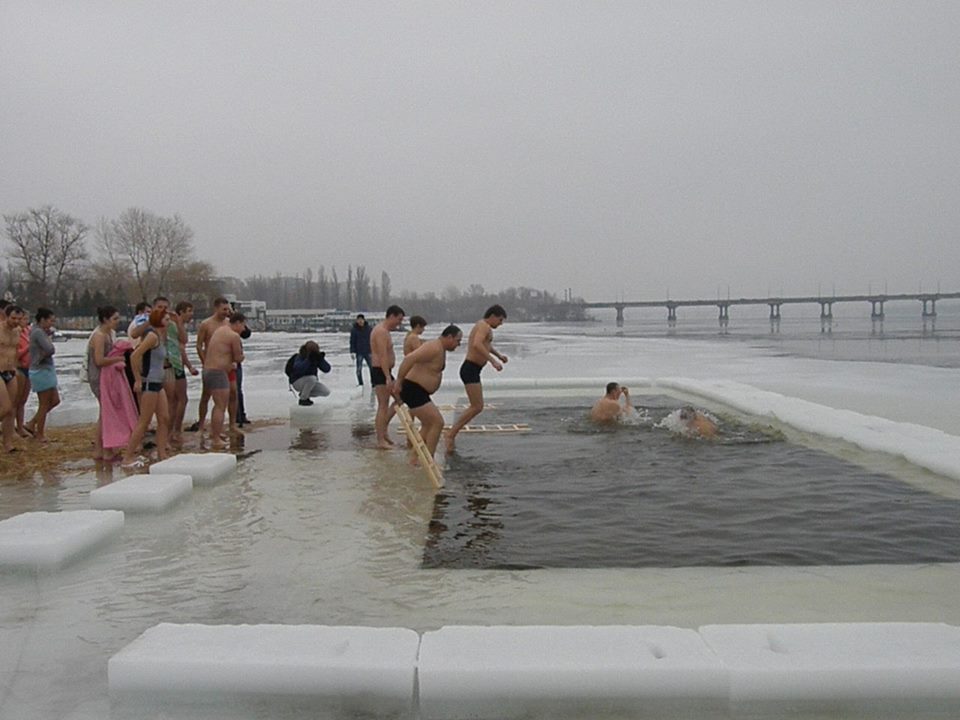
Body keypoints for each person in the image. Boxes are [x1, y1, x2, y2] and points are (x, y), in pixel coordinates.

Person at [393, 324, 462, 461]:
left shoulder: (439, 348)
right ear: (449, 337)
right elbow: (409, 359)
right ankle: (428, 459)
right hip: (413, 389)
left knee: (428, 424)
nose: (458, 344)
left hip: (419, 390)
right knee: (437, 423)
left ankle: (414, 458)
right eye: (457, 341)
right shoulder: (433, 347)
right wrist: (398, 382)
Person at [445, 304, 508, 452]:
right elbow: (477, 344)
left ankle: (452, 434)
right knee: (477, 406)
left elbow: (486, 345)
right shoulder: (483, 326)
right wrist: (493, 361)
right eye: (500, 320)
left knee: (477, 406)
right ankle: (450, 434)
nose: (500, 324)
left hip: (473, 369)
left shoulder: (485, 327)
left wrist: (498, 355)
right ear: (492, 316)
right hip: (470, 368)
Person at [121, 307, 171, 468]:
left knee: (164, 418)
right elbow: (135, 356)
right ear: (159, 320)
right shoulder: (151, 336)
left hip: (158, 382)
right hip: (149, 382)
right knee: (144, 421)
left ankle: (162, 453)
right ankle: (127, 457)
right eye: (166, 319)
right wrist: (137, 380)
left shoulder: (161, 336)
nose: (169, 322)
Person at [87, 306, 129, 461]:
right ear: (105, 319)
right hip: (98, 377)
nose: (118, 322)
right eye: (115, 319)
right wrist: (117, 359)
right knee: (105, 413)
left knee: (105, 413)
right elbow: (99, 360)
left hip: (106, 377)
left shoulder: (108, 334)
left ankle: (105, 448)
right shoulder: (99, 336)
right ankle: (101, 450)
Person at [203, 312, 246, 450]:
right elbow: (238, 357)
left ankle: (217, 433)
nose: (244, 328)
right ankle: (215, 438)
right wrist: (241, 357)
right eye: (243, 325)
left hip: (209, 370)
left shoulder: (221, 330)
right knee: (220, 406)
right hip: (218, 372)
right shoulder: (233, 336)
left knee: (220, 404)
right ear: (238, 323)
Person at [191, 297, 233, 434]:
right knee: (206, 395)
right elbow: (198, 345)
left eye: (228, 309)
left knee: (232, 394)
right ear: (216, 308)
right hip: (211, 365)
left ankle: (231, 424)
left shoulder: (228, 323)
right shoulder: (206, 324)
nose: (226, 312)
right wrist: (204, 361)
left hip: (226, 364)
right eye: (224, 309)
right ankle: (201, 424)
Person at [370, 305, 405, 449]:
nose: (399, 323)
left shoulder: (384, 331)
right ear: (391, 316)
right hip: (380, 371)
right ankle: (380, 439)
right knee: (383, 405)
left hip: (384, 371)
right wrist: (387, 377)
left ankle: (383, 432)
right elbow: (383, 355)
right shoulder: (381, 332)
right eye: (399, 319)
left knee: (400, 399)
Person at [164, 301, 199, 444]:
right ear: (181, 312)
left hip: (176, 363)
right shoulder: (172, 324)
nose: (191, 314)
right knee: (177, 400)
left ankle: (173, 430)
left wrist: (189, 366)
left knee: (177, 400)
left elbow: (181, 347)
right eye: (189, 311)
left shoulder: (176, 324)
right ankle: (173, 431)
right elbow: (182, 342)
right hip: (171, 364)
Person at [25, 307, 60, 442]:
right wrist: (43, 354)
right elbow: (50, 349)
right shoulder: (38, 332)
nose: (52, 323)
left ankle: (32, 423)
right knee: (44, 403)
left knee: (55, 400)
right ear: (43, 320)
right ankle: (39, 433)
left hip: (45, 369)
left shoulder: (39, 331)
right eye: (50, 320)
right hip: (40, 370)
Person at [0, 305, 25, 453]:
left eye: (18, 319)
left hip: (11, 371)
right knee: (6, 407)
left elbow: (15, 351)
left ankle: (8, 444)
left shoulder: (17, 331)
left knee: (11, 410)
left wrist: (15, 367)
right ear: (6, 316)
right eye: (13, 318)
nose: (15, 321)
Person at [286, 341, 331, 405]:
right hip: (297, 382)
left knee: (325, 392)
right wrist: (309, 360)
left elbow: (327, 369)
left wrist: (321, 359)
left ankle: (304, 394)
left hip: (310, 382)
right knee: (312, 378)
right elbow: (299, 369)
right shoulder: (299, 357)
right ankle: (303, 399)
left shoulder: (315, 358)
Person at [14, 310, 32, 437]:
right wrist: (28, 348)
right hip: (19, 368)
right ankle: (12, 427)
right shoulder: (15, 334)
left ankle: (20, 426)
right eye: (24, 319)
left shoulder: (27, 332)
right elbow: (16, 354)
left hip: (28, 368)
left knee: (23, 400)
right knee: (16, 399)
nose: (26, 322)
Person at [349, 313, 373, 386]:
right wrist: (352, 351)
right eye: (358, 320)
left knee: (372, 368)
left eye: (361, 320)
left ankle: (373, 382)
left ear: (364, 320)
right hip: (359, 352)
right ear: (357, 321)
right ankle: (360, 383)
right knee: (358, 369)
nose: (360, 321)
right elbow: (352, 341)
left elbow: (373, 340)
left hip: (369, 351)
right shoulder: (354, 330)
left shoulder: (369, 329)